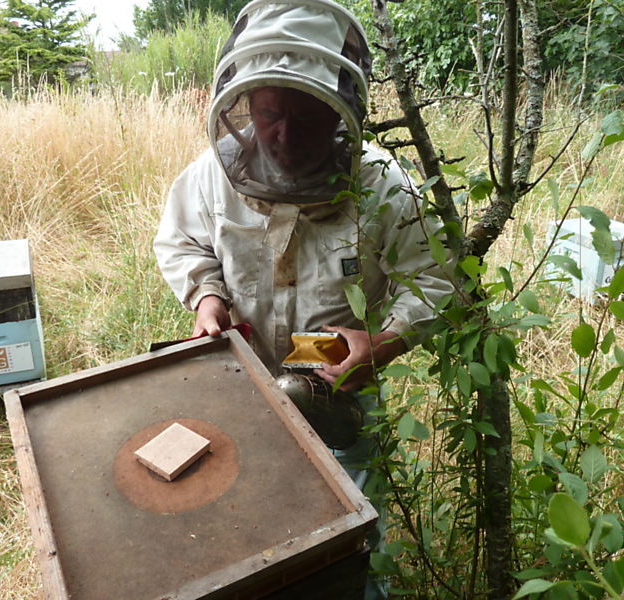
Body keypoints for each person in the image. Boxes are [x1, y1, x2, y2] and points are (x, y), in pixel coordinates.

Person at [154, 0, 454, 597]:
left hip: (339, 381)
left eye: (307, 116)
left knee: (350, 524)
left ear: (339, 112)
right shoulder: (212, 176)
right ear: (246, 108)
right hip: (245, 375)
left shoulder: (382, 184)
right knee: (248, 511)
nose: (285, 134)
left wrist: (385, 341)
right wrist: (207, 299)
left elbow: (434, 281)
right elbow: (183, 242)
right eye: (270, 115)